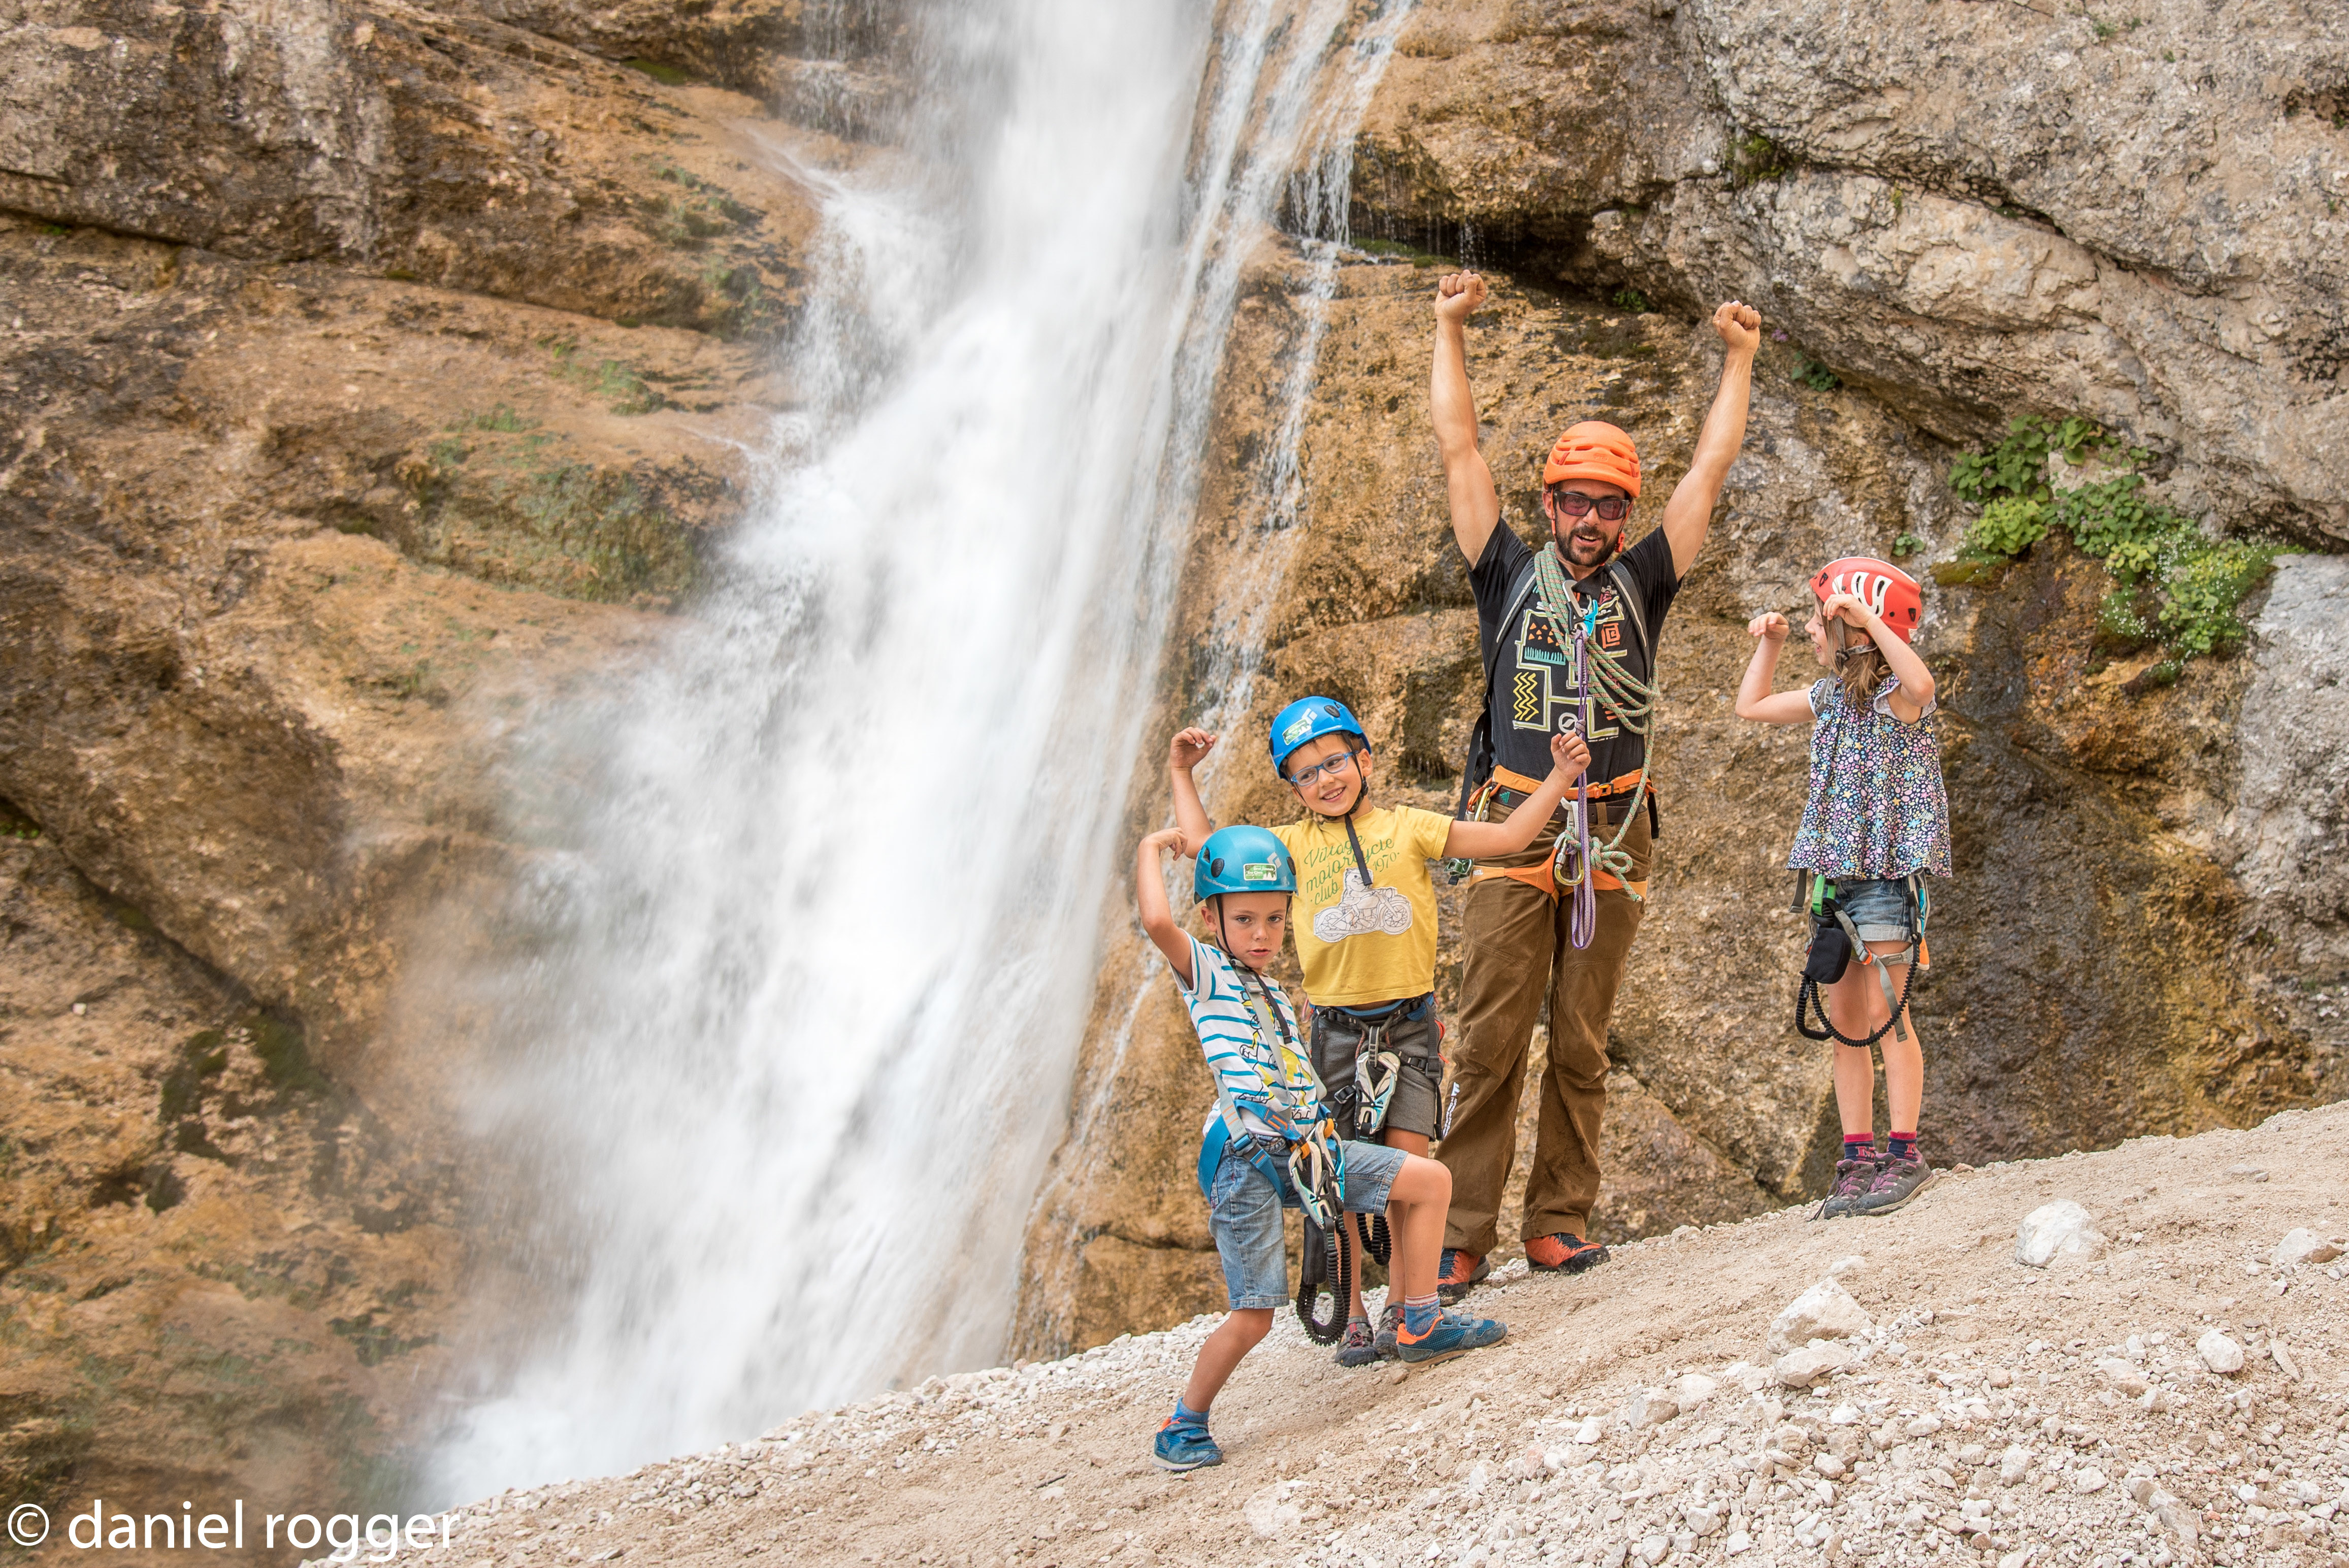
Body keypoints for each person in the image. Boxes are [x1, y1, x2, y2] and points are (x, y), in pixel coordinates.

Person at [1427, 272, 1761, 1297]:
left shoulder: (1644, 581)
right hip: (1513, 825)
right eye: (1577, 500)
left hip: (1615, 829)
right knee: (1488, 1035)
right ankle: (1460, 1229)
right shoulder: (1503, 572)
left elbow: (1710, 466)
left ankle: (1559, 1217)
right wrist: (1449, 330)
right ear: (1551, 503)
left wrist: (1740, 359)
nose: (1592, 518)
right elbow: (1459, 448)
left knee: (1580, 1033)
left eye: (1611, 505)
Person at [1168, 707, 1588, 1364]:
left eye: (1335, 761)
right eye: (1306, 774)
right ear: (1293, 788)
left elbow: (1507, 836)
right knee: (1330, 1179)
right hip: (1334, 1032)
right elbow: (1206, 849)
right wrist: (1181, 773)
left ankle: (1407, 1309)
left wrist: (1559, 777)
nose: (1325, 779)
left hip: (1408, 1027)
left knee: (1409, 1168)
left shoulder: (1409, 829)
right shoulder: (1291, 848)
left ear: (1364, 760)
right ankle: (1354, 1315)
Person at [1135, 822, 1508, 1473]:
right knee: (1254, 1317)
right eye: (1245, 918)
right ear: (1210, 918)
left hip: (1309, 1148)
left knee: (1427, 1180)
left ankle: (1418, 1319)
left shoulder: (1278, 996)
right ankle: (1184, 1422)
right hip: (1245, 1159)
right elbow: (1156, 922)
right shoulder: (1209, 974)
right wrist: (1148, 851)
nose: (1262, 934)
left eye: (1276, 919)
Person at [1734, 558, 1950, 1217]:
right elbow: (1750, 706)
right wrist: (1767, 646)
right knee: (1844, 1022)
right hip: (1834, 882)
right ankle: (1856, 1156)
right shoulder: (1827, 700)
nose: (1808, 628)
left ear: (1856, 627)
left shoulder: (1898, 700)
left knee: (1890, 1014)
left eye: (1816, 619)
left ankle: (1904, 1151)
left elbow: (1921, 679)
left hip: (1886, 878)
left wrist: (1868, 623)